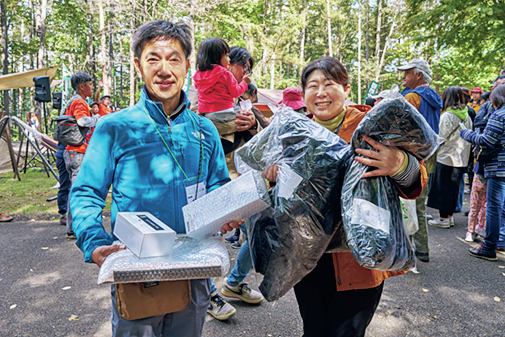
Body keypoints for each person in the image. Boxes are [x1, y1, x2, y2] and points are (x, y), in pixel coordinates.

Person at [70, 21, 231, 336]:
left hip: (194, 273)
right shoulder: (114, 128)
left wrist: (228, 212)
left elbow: (218, 187)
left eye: (173, 58)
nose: (164, 69)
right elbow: (86, 193)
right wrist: (95, 242)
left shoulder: (205, 130)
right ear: (137, 65)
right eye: (153, 58)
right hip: (136, 274)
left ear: (187, 64)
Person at [256, 56, 427, 337]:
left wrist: (398, 163)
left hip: (359, 259)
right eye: (312, 86)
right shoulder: (292, 134)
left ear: (346, 90)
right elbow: (282, 201)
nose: (320, 92)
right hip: (307, 258)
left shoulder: (372, 127)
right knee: (313, 329)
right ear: (303, 94)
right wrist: (273, 178)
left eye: (329, 83)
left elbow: (417, 180)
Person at [192, 46, 264, 321]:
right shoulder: (205, 83)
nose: (246, 75)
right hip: (210, 179)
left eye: (248, 71)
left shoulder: (238, 95)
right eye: (243, 68)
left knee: (257, 227)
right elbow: (194, 124)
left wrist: (251, 122)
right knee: (206, 234)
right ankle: (208, 292)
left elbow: (261, 132)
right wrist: (231, 125)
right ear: (228, 63)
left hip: (243, 177)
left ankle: (234, 282)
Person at [399, 59, 443, 263]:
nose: (403, 77)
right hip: (430, 153)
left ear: (418, 75)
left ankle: (404, 250)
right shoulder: (435, 97)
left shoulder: (412, 97)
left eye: (407, 73)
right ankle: (422, 248)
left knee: (405, 203)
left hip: (412, 155)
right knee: (419, 203)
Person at [461, 84, 505, 260]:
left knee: (494, 207)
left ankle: (488, 247)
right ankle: (500, 241)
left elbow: (486, 139)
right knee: (502, 208)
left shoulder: (500, 115)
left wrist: (466, 134)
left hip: (498, 167)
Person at [427, 87, 472, 227]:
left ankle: (443, 219)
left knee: (442, 189)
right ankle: (449, 217)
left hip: (446, 157)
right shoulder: (467, 115)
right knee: (453, 189)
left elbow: (440, 137)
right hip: (461, 158)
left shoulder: (447, 115)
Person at [63, 72, 100, 239]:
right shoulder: (79, 102)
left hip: (70, 152)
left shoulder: (72, 101)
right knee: (78, 190)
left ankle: (73, 227)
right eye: (90, 84)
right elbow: (82, 122)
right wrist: (97, 118)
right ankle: (74, 228)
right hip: (78, 152)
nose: (92, 87)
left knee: (75, 189)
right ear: (82, 87)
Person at [193, 38, 251, 126]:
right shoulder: (224, 73)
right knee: (245, 112)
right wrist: (245, 83)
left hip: (206, 114)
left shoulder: (198, 75)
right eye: (227, 56)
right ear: (217, 57)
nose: (229, 60)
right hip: (224, 114)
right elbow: (235, 93)